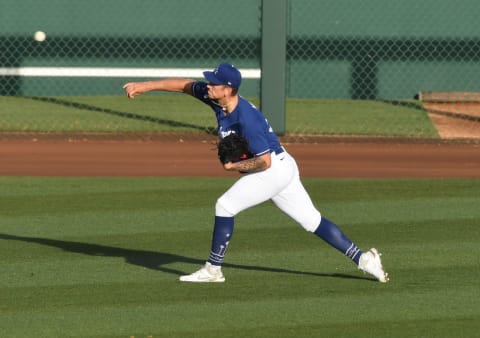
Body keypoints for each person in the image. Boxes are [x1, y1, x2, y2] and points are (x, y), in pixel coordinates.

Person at [123, 62, 389, 283]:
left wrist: (233, 166)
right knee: (312, 221)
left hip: (273, 168)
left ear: (228, 89)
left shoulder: (246, 120)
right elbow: (184, 85)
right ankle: (365, 260)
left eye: (215, 83)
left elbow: (263, 163)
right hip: (283, 164)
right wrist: (144, 87)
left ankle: (213, 269)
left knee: (225, 205)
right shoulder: (216, 98)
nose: (209, 85)